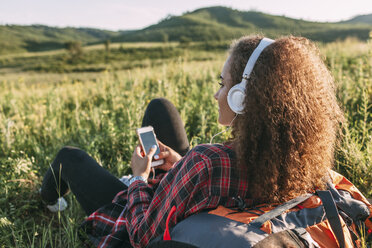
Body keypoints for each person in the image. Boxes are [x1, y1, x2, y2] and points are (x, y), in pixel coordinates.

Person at [40, 35, 349, 248]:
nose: (217, 94)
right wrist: (180, 164)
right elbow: (220, 174)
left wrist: (139, 178)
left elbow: (142, 236)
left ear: (243, 98)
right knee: (160, 107)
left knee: (70, 157)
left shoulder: (205, 162)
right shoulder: (299, 158)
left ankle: (49, 204)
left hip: (158, 217)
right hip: (215, 201)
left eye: (223, 84)